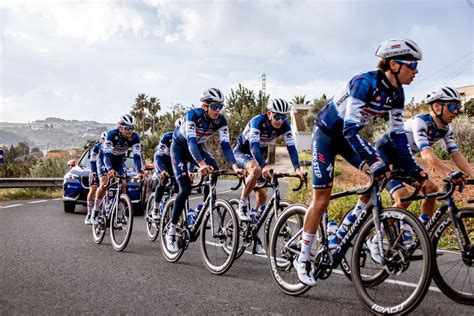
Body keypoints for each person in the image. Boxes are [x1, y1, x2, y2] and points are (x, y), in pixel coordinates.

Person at [294, 38, 427, 286]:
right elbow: (350, 130)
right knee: (321, 198)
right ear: (393, 65)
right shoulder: (363, 83)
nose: (416, 70)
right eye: (412, 64)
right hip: (327, 135)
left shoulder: (397, 93)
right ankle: (302, 258)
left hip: (348, 137)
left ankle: (348, 229)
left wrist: (412, 168)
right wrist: (372, 159)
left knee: (382, 174)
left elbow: (398, 136)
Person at [165, 88, 245, 252]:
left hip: (197, 149)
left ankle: (204, 210)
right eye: (215, 106)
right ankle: (171, 230)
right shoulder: (192, 116)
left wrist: (235, 166)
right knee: (185, 189)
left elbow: (225, 145)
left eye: (220, 106)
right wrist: (201, 164)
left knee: (214, 169)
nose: (218, 110)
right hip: (180, 148)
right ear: (205, 105)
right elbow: (191, 142)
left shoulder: (221, 121)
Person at [376, 85, 473, 217]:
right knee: (403, 199)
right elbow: (426, 154)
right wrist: (449, 173)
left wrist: (472, 174)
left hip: (404, 161)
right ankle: (377, 237)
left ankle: (423, 230)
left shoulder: (446, 128)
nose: (456, 111)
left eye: (458, 107)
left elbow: (455, 154)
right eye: (452, 107)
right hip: (385, 156)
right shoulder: (420, 122)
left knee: (431, 189)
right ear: (437, 107)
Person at [233, 98, 306, 254]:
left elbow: (292, 148)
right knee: (257, 170)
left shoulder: (285, 126)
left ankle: (254, 233)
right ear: (269, 114)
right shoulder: (257, 122)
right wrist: (264, 166)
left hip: (258, 154)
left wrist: (298, 169)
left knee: (262, 196)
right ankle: (242, 203)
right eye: (277, 116)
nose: (280, 120)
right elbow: (253, 147)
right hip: (242, 152)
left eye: (283, 117)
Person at [90, 114, 144, 225]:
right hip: (105, 158)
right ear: (120, 127)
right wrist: (109, 169)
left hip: (119, 160)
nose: (130, 131)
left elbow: (137, 156)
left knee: (123, 183)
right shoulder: (111, 135)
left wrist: (139, 171)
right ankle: (95, 211)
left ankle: (119, 215)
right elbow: (106, 155)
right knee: (104, 183)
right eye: (128, 128)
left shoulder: (135, 137)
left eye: (132, 128)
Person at [150, 118, 183, 220]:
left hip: (175, 162)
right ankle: (155, 209)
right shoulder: (167, 137)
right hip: (163, 160)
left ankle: (173, 211)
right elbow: (158, 156)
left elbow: (188, 160)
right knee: (162, 181)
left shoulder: (187, 140)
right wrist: (162, 170)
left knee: (179, 185)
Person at [84, 131, 107, 225]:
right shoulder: (96, 147)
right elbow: (92, 161)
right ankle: (89, 214)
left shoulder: (111, 147)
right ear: (101, 140)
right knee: (93, 189)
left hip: (105, 170)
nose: (105, 141)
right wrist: (93, 171)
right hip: (95, 171)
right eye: (103, 139)